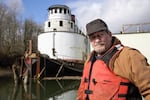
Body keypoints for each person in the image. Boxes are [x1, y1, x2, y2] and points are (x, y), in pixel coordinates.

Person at [77, 19, 150, 100]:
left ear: (110, 34)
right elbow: (82, 89)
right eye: (93, 37)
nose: (97, 40)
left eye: (100, 35)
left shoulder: (129, 56)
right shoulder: (90, 58)